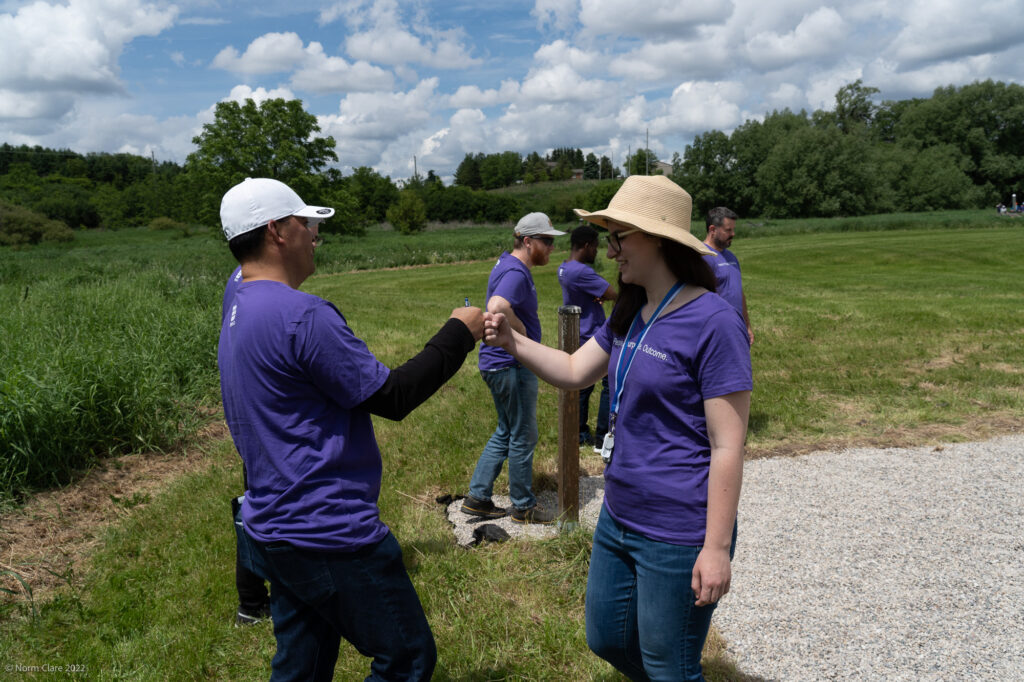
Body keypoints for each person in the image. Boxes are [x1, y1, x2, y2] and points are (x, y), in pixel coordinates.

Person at [482, 175, 751, 681]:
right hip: (620, 513)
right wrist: (512, 343)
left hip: (678, 530)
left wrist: (715, 549)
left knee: (669, 665)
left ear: (657, 239)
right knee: (605, 637)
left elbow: (728, 444)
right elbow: (574, 371)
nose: (610, 251)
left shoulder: (714, 322)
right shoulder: (631, 310)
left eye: (619, 237)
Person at [218, 177, 484, 681]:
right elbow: (394, 396)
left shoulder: (237, 297)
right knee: (407, 658)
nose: (316, 232)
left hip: (271, 526)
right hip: (328, 532)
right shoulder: (304, 317)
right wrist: (458, 333)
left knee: (303, 663)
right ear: (276, 230)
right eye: (306, 222)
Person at [461, 212, 565, 525]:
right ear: (528, 241)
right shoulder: (517, 273)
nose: (550, 247)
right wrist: (521, 337)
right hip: (510, 365)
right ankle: (523, 506)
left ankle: (477, 498)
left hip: (499, 364)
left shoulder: (508, 264)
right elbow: (496, 306)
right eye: (546, 241)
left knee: (507, 430)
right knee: (523, 434)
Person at [223, 264, 272, 627]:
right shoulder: (254, 278)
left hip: (249, 411)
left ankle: (252, 603)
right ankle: (252, 603)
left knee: (255, 504)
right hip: (262, 418)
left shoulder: (239, 278)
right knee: (258, 507)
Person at [558, 224, 616, 449]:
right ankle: (602, 436)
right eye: (595, 247)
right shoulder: (582, 271)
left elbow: (589, 292)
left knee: (582, 388)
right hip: (592, 332)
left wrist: (594, 296)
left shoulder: (563, 268)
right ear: (585, 245)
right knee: (608, 385)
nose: (597, 252)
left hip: (578, 331)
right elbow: (611, 293)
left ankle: (579, 431)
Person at [702, 207, 753, 345]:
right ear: (713, 230)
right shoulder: (702, 258)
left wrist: (746, 325)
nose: (733, 234)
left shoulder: (731, 257)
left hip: (736, 327)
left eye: (733, 229)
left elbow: (738, 292)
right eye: (728, 230)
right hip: (716, 331)